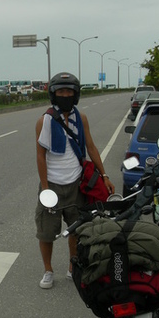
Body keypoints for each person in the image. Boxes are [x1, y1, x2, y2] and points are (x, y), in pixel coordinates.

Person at [35, 72, 115, 289]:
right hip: (52, 185)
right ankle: (48, 270)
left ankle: (73, 266)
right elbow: (40, 155)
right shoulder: (45, 120)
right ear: (53, 94)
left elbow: (90, 147)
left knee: (77, 229)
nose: (65, 95)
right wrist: (45, 188)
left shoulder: (82, 118)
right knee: (46, 232)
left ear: (76, 94)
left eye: (69, 91)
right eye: (61, 91)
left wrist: (104, 175)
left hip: (76, 184)